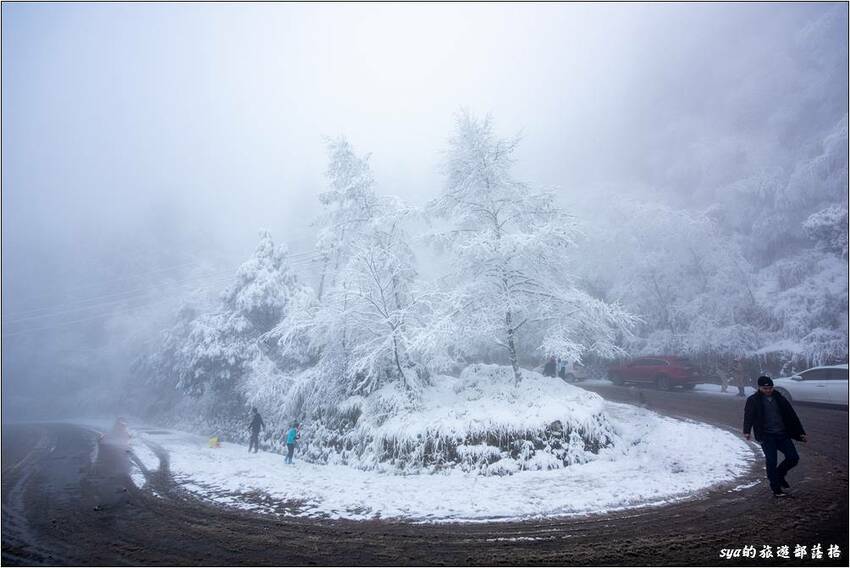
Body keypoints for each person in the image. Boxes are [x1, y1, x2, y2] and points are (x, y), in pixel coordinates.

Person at [743, 376, 807, 497]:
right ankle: (776, 488)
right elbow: (748, 416)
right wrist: (747, 431)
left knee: (793, 458)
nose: (768, 390)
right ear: (759, 387)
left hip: (782, 434)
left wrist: (800, 432)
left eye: (770, 388)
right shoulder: (753, 400)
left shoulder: (780, 398)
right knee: (771, 461)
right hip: (766, 436)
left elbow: (792, 416)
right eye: (765, 388)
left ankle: (779, 475)